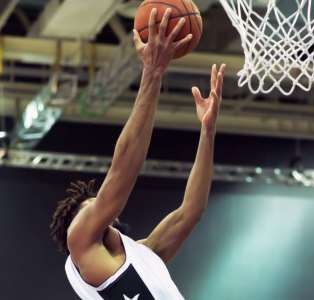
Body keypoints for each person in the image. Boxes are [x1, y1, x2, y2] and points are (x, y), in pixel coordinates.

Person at [49, 8, 226, 300]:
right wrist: (152, 72)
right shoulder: (79, 242)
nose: (102, 211)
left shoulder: (145, 254)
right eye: (92, 209)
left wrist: (207, 133)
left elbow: (191, 211)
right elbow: (122, 170)